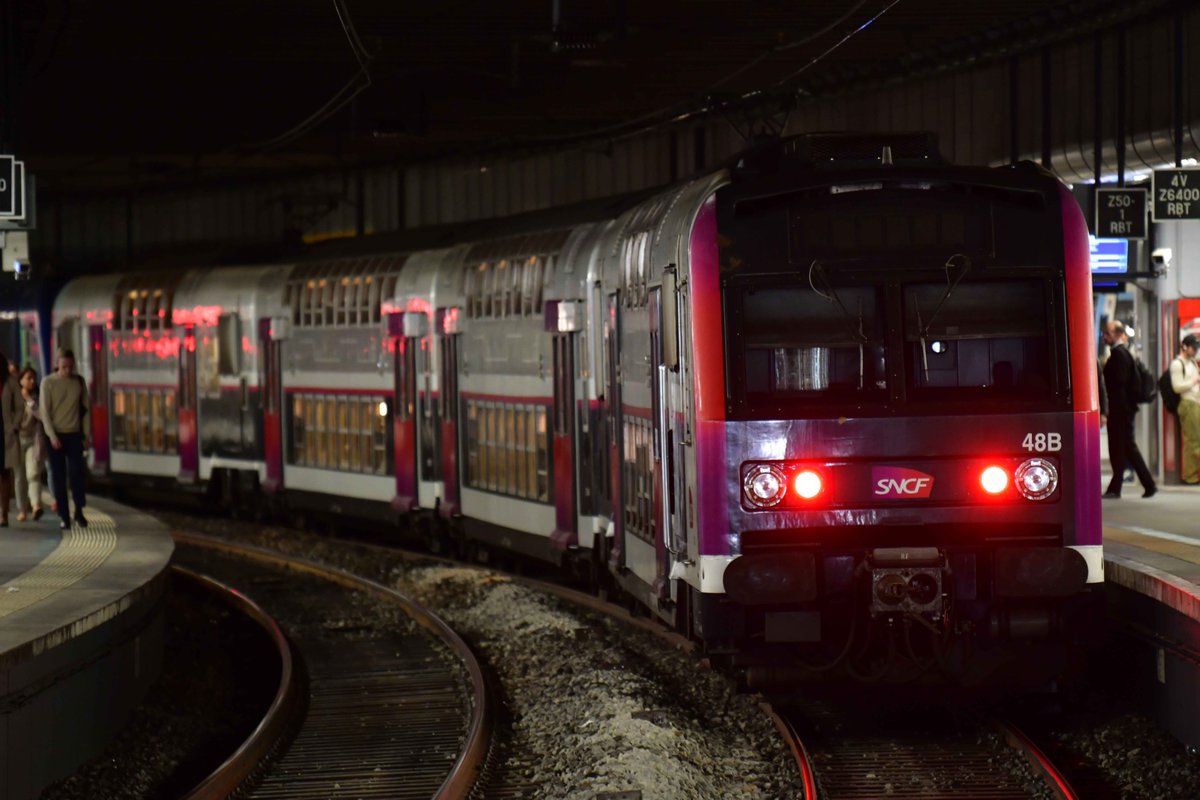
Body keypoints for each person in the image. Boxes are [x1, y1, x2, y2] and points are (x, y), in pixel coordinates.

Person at [1102, 321, 1157, 499]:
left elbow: (1118, 383)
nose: (1104, 337)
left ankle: (1126, 486)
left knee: (1122, 447)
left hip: (1120, 410)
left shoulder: (1119, 355)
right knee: (1124, 447)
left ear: (1116, 334)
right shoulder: (1124, 354)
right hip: (1124, 410)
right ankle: (1128, 486)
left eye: (1107, 333)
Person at [41, 348, 90, 529]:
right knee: (59, 476)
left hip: (75, 433)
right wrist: (52, 436)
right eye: (63, 367)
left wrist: (86, 434)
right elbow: (45, 412)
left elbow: (85, 411)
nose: (67, 371)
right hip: (56, 435)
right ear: (57, 365)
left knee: (77, 473)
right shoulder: (48, 383)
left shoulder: (79, 382)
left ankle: (79, 510)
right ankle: (64, 516)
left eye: (70, 367)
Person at [15, 366, 47, 520]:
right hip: (16, 441)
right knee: (19, 476)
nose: (32, 381)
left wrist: (29, 400)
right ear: (21, 380)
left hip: (33, 439)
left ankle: (36, 505)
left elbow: (42, 416)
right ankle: (22, 509)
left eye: (34, 378)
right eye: (28, 378)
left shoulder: (37, 397)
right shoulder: (14, 397)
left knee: (33, 473)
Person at [1170, 333, 1200, 485]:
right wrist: (1193, 381)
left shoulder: (1192, 363)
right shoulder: (1177, 364)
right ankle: (1190, 476)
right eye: (1193, 348)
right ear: (1184, 347)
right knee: (1192, 441)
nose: (1195, 351)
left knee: (1195, 440)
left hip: (1195, 403)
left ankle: (1192, 474)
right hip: (1187, 403)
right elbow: (1177, 387)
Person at [0, 353, 23, 526]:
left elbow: (20, 407)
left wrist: (15, 425)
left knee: (4, 472)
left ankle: (4, 512)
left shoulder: (11, 383)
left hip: (5, 431)